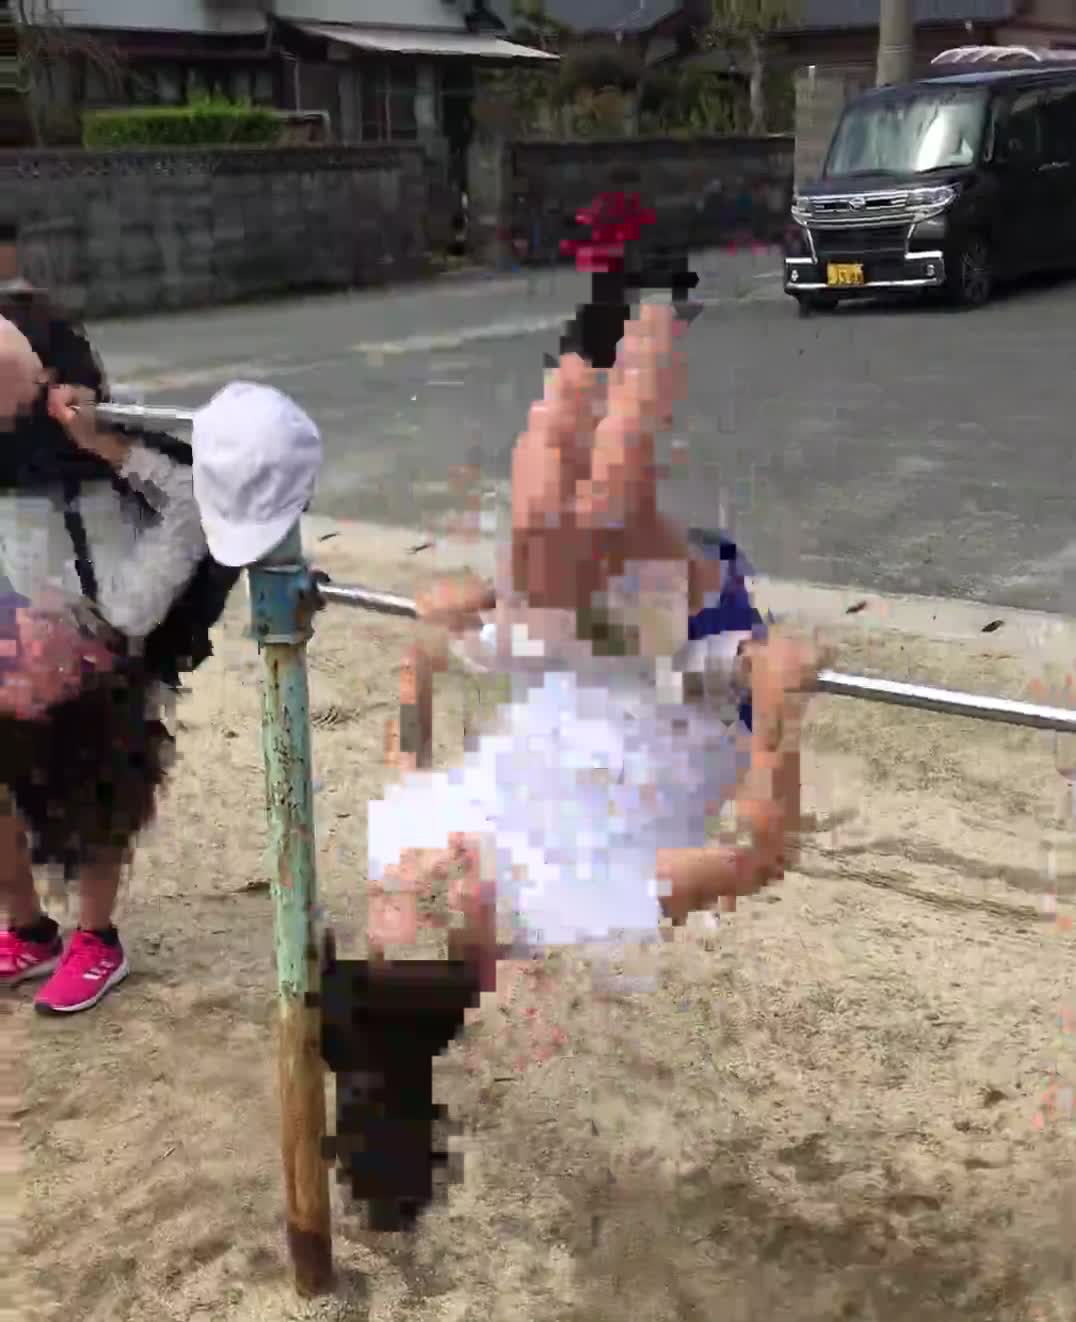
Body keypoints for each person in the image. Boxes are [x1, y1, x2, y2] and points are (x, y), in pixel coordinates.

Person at [366, 303, 823, 984]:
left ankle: (599, 344)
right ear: (485, 935)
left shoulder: (409, 840)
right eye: (445, 897)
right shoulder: (572, 905)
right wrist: (779, 716)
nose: (434, 866)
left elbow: (407, 742)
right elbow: (760, 859)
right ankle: (655, 312)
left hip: (582, 656)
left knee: (548, 482)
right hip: (695, 678)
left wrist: (433, 639)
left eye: (406, 886)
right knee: (608, 486)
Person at [0, 279, 209, 1013]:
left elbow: (196, 506)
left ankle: (97, 938)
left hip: (102, 643)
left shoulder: (113, 447)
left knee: (96, 788)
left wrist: (103, 443)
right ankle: (28, 928)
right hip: (18, 641)